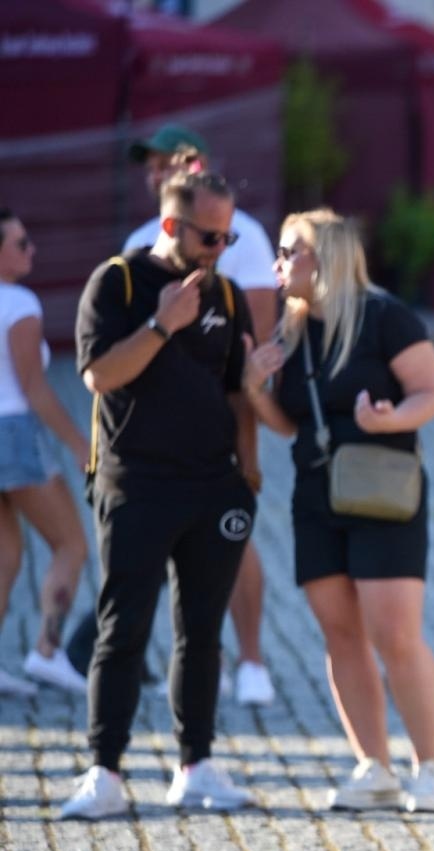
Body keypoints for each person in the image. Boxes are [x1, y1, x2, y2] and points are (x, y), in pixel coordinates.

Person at [63, 170, 260, 819]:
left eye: (228, 235)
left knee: (201, 634)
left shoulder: (228, 296)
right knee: (123, 630)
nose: (220, 248)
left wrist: (247, 473)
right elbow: (97, 374)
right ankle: (105, 772)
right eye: (210, 235)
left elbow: (236, 392)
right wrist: (161, 323)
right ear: (171, 226)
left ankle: (195, 766)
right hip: (136, 485)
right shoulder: (116, 283)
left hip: (212, 488)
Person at [241, 210, 434, 813]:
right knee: (340, 633)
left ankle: (429, 766)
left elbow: (431, 393)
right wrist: (255, 389)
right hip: (316, 493)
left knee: (395, 634)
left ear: (324, 255)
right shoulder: (294, 328)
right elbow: (290, 425)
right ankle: (373, 766)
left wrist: (391, 419)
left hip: (385, 489)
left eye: (289, 251)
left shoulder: (385, 316)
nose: (278, 264)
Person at [125, 123, 277, 706]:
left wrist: (250, 434)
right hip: (156, 422)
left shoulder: (246, 236)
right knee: (166, 544)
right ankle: (186, 661)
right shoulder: (139, 239)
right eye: (151, 164)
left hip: (221, 413)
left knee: (232, 535)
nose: (157, 172)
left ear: (201, 165)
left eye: (171, 162)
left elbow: (256, 334)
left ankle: (253, 660)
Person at [0, 209, 90, 696]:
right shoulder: (18, 303)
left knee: (5, 555)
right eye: (21, 243)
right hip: (12, 432)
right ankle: (47, 652)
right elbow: (33, 388)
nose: (31, 251)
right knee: (71, 544)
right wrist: (78, 443)